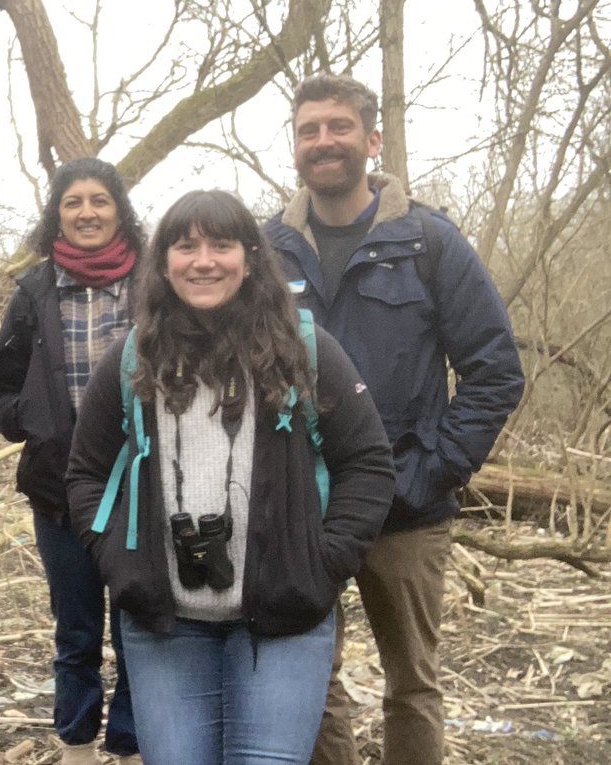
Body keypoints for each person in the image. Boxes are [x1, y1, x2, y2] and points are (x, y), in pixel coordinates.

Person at [67, 189, 395, 765]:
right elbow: (86, 473)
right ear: (164, 262)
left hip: (283, 622)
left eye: (221, 245)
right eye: (186, 245)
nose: (203, 260)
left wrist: (323, 562)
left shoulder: (303, 350)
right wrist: (120, 559)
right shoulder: (132, 359)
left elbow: (367, 463)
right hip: (166, 628)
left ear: (249, 257)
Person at [264, 73, 525, 765]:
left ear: (371, 139)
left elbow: (496, 370)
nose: (324, 141)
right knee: (310, 678)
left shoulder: (429, 241)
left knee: (411, 684)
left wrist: (430, 469)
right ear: (294, 145)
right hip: (306, 510)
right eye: (309, 129)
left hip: (408, 510)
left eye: (339, 126)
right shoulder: (266, 251)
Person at [0, 159, 146, 765]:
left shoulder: (154, 283)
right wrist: (29, 420)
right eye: (73, 201)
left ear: (119, 209)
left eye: (100, 201)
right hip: (59, 490)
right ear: (57, 212)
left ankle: (130, 746)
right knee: (75, 630)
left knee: (137, 628)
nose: (87, 213)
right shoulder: (33, 291)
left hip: (140, 488)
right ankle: (77, 746)